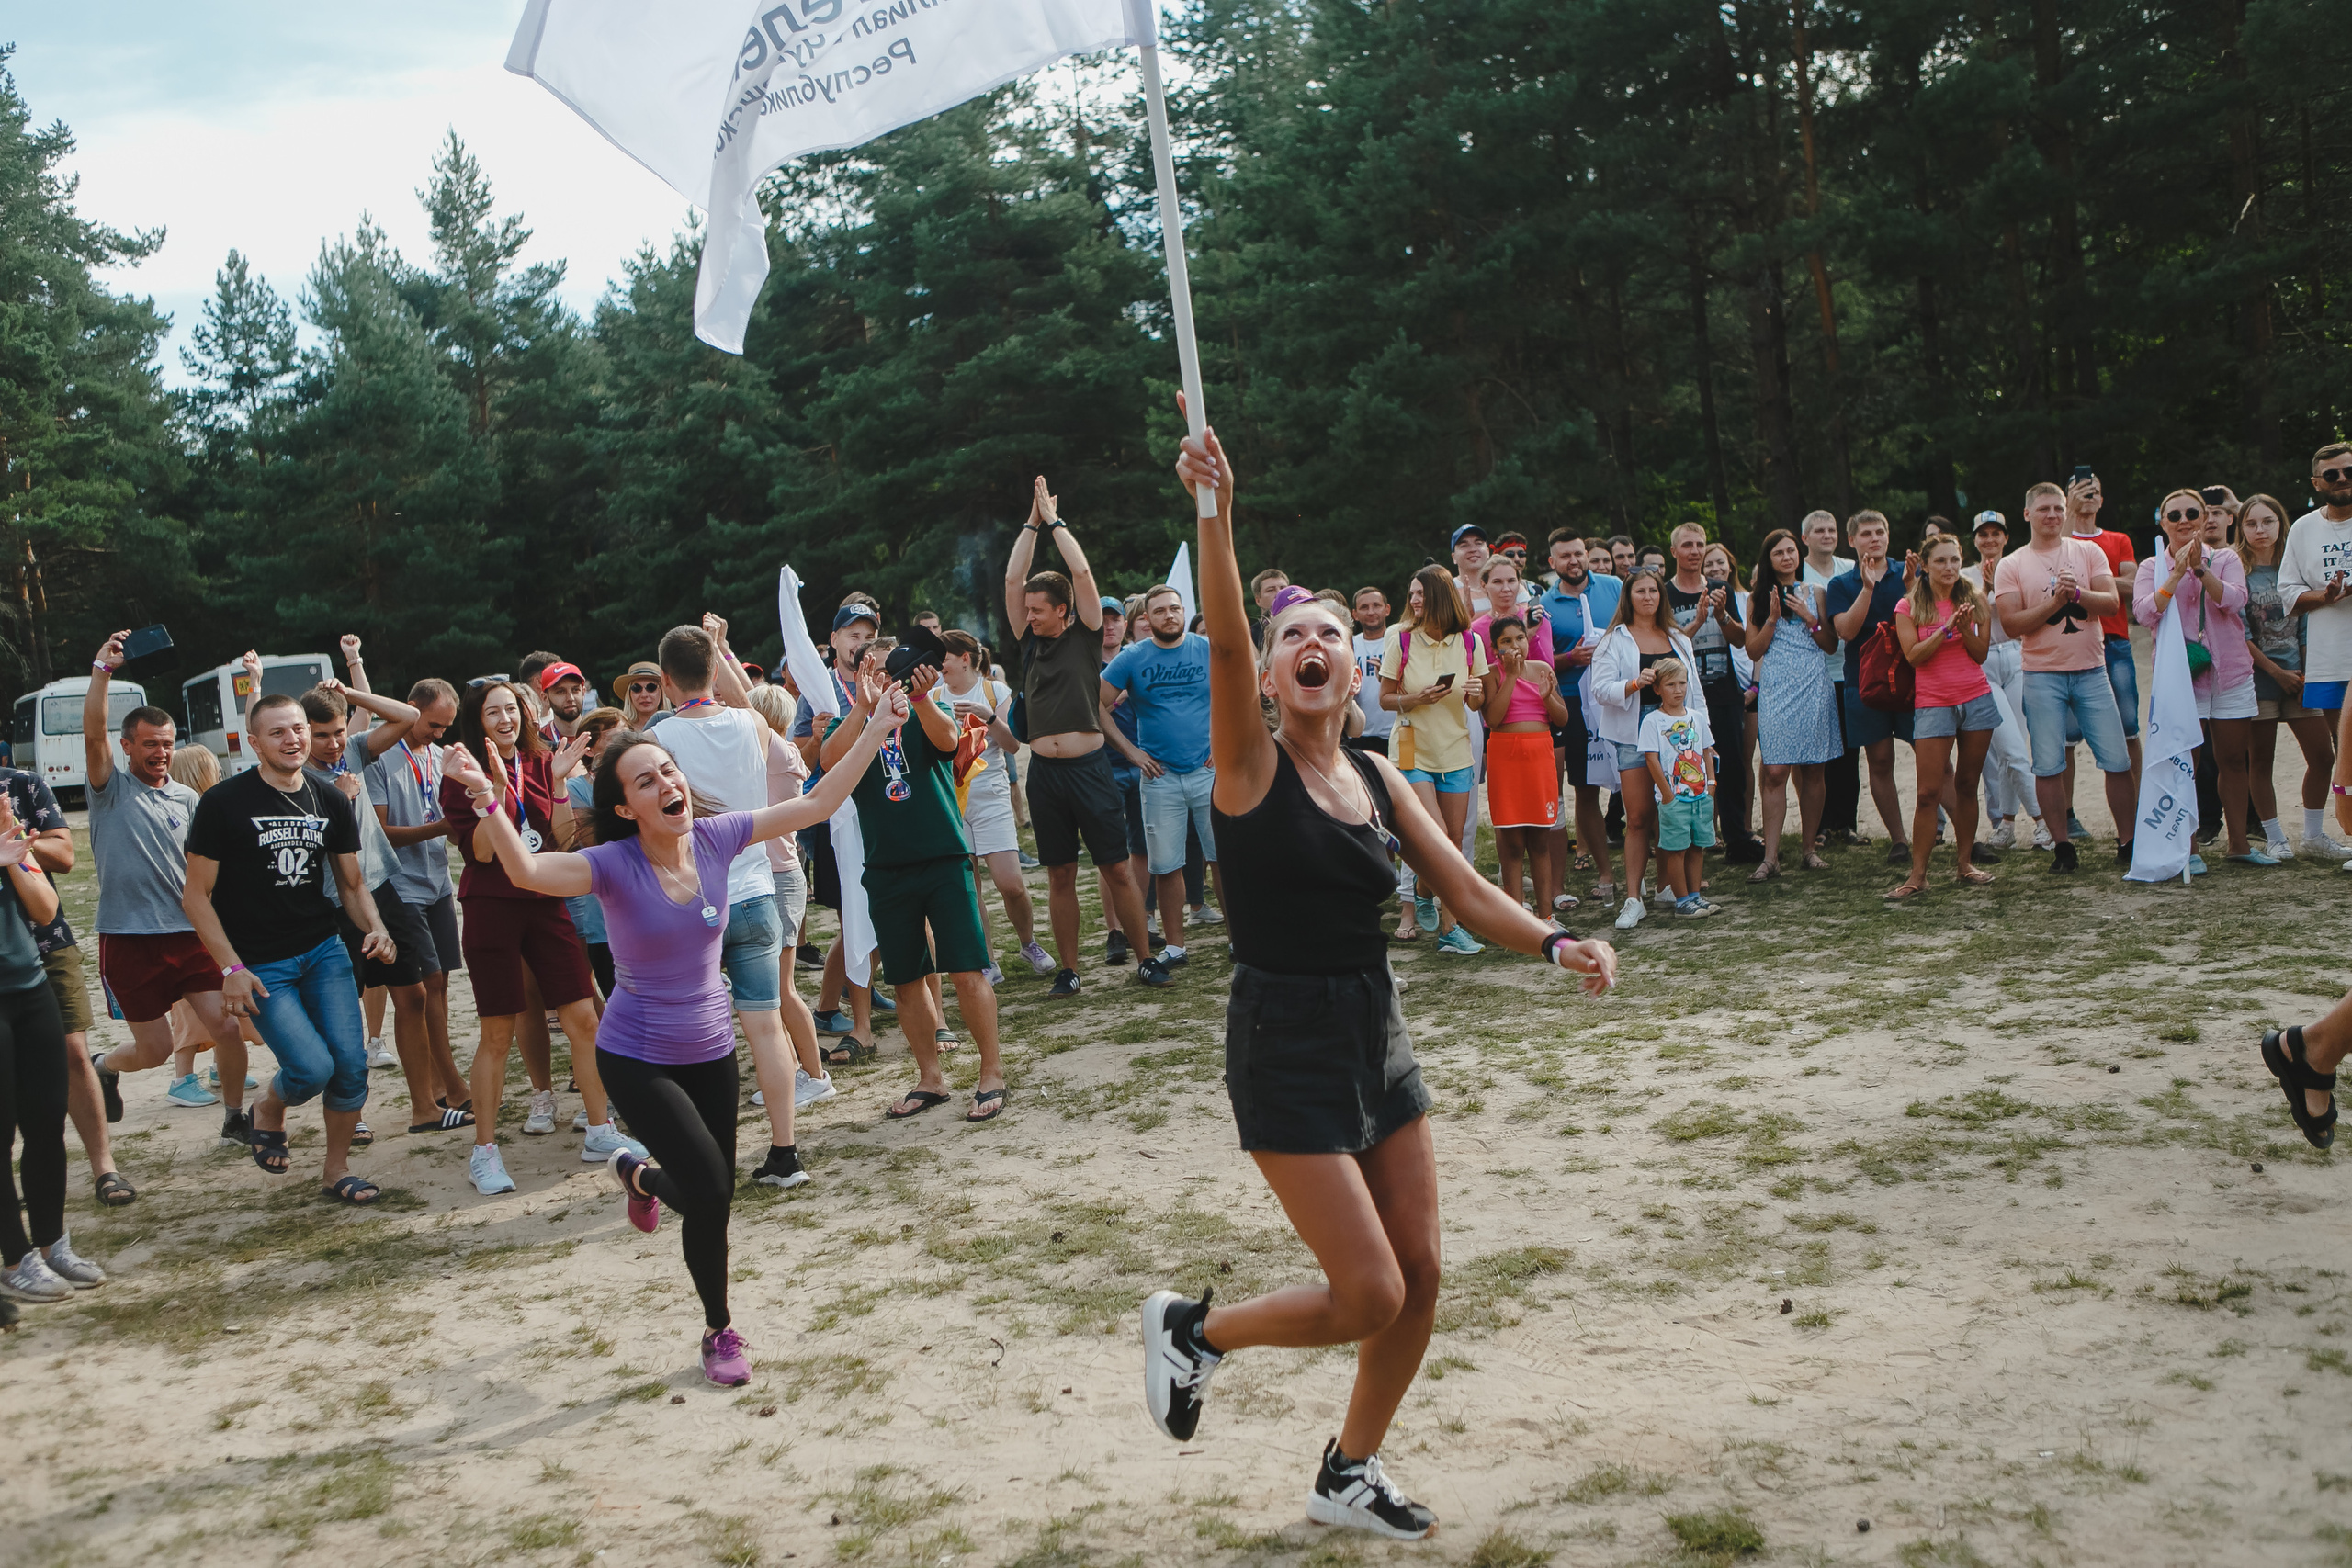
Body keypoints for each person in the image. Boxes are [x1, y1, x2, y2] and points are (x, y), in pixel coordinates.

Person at [1139, 411, 1616, 1540]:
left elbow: (1464, 891)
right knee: (1369, 1293)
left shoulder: (1377, 773)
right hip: (1283, 1037)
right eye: (1290, 634)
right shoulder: (1250, 766)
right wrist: (1216, 509)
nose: (1313, 644)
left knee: (1423, 1273)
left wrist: (1554, 940)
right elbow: (1215, 639)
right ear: (1267, 673)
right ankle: (1194, 1334)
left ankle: (1348, 1471)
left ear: (1355, 665)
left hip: (1373, 1027)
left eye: (1329, 634)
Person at [442, 679, 906, 1386]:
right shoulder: (612, 865)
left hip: (712, 1048)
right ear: (625, 807)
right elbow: (529, 870)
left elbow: (815, 802)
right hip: (635, 1054)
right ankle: (720, 1331)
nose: (665, 782)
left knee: (707, 1190)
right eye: (645, 780)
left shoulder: (718, 837)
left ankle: (640, 1174)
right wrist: (486, 797)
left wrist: (875, 727)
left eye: (668, 770)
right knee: (715, 1192)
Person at [182, 694, 390, 1203]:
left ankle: (335, 1172)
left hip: (323, 950)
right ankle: (268, 1109)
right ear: (253, 742)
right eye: (277, 732)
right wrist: (230, 967)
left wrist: (377, 927)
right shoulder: (223, 804)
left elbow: (352, 883)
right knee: (311, 1068)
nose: (292, 739)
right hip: (261, 965)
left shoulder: (331, 799)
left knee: (350, 1064)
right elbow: (195, 895)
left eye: (297, 728)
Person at [651, 618, 821, 1186]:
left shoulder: (660, 737)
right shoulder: (749, 720)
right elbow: (750, 708)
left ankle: (700, 1157)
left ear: (665, 679)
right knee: (766, 1025)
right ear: (712, 671)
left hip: (690, 900)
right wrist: (721, 645)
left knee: (693, 1032)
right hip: (756, 892)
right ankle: (785, 1152)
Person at [440, 680, 621, 1195]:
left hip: (545, 903)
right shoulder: (462, 773)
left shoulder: (543, 762)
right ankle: (485, 1151)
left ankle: (600, 1130)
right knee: (497, 1032)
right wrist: (490, 790)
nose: (505, 720)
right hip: (492, 906)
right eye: (493, 712)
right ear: (477, 721)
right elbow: (479, 852)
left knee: (584, 1017)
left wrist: (560, 784)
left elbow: (565, 839)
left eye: (513, 710)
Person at [819, 647, 1011, 1122]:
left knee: (967, 970)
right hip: (886, 867)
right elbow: (828, 761)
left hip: (944, 859)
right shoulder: (856, 724)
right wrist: (864, 708)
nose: (893, 676)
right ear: (865, 674)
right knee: (905, 979)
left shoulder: (932, 707)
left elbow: (948, 744)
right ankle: (931, 1079)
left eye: (898, 667)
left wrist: (921, 698)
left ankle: (992, 1073)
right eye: (881, 668)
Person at [82, 632, 252, 1151]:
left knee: (227, 1028)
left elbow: (209, 871)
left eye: (167, 742)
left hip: (189, 935)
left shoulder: (188, 799)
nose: (160, 752)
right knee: (152, 1050)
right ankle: (104, 1067)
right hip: (130, 938)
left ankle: (233, 1117)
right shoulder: (109, 789)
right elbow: (93, 736)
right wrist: (101, 672)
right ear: (128, 745)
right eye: (149, 743)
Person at [1002, 476, 1170, 993]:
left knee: (1117, 870)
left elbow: (1081, 569)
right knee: (1059, 876)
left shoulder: (1087, 634)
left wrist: (1054, 521)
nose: (1028, 616)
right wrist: (1030, 524)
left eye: (1038, 609)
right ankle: (1070, 971)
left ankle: (1146, 958)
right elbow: (1013, 582)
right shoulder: (1029, 642)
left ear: (1062, 610)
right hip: (1046, 776)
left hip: (1090, 769)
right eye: (1027, 610)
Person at [0, 753, 130, 1209]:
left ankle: (104, 1167)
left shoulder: (22, 786)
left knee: (74, 1053)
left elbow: (67, 856)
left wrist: (15, 840)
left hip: (45, 941)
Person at [1995, 481, 2136, 874]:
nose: (2052, 515)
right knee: (2049, 765)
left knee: (2118, 760)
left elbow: (2110, 602)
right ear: (2027, 515)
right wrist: (2055, 602)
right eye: (2044, 509)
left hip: (2092, 670)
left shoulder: (2088, 551)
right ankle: (2062, 847)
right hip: (2042, 676)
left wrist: (2079, 597)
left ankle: (2128, 842)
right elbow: (2010, 624)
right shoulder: (2013, 564)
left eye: (2058, 508)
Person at [364, 678, 474, 1132]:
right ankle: (448, 1082)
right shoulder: (379, 757)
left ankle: (438, 1082)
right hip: (400, 887)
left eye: (446, 726)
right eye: (433, 724)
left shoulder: (434, 755)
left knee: (442, 986)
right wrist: (441, 828)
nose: (439, 734)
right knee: (421, 988)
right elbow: (380, 831)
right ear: (410, 710)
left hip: (436, 884)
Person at [0, 793, 97, 1302]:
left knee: (46, 1120)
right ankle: (16, 1259)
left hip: (29, 985)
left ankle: (52, 1243)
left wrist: (13, 854)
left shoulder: (4, 823)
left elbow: (45, 909)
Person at [1103, 585, 1226, 966]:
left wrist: (1224, 745)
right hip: (1160, 777)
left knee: (1223, 857)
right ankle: (1175, 945)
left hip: (1210, 771)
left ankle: (1241, 939)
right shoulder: (1131, 658)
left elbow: (1241, 694)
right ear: (1147, 618)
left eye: (1175, 608)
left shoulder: (1207, 649)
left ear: (1183, 611)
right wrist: (1131, 751)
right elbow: (1096, 705)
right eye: (1159, 611)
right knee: (1166, 864)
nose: (1169, 615)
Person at [2136, 490, 2261, 865]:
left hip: (2230, 674)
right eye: (2174, 515)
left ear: (2205, 516)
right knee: (2184, 765)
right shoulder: (2150, 567)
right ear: (2163, 522)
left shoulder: (2224, 558)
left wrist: (2200, 570)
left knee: (2234, 761)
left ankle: (2239, 845)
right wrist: (2175, 574)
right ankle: (2186, 849)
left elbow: (2236, 601)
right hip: (2181, 679)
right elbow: (2145, 613)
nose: (2184, 520)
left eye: (2192, 512)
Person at [1378, 565, 1488, 952]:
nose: (1414, 600)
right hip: (1413, 750)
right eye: (1411, 594)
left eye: (1420, 593)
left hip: (1456, 749)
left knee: (1454, 840)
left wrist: (1475, 692)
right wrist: (1415, 698)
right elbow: (1385, 698)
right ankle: (1427, 898)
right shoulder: (1402, 640)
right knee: (1438, 835)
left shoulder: (1471, 642)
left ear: (1440, 595)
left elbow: (1477, 702)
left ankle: (1448, 927)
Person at [1886, 536, 1997, 898]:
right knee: (1928, 792)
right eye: (1940, 562)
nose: (1949, 568)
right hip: (1933, 703)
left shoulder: (1976, 598)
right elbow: (1915, 656)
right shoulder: (1908, 606)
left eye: (1954, 560)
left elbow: (1980, 654)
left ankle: (1964, 864)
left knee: (1967, 785)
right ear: (1925, 565)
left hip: (1976, 699)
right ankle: (1917, 875)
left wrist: (1964, 628)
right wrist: (1947, 629)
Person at [793, 604, 881, 1055]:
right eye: (851, 633)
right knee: (854, 917)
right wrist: (815, 738)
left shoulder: (885, 678)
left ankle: (839, 998)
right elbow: (798, 761)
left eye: (867, 632)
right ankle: (844, 1008)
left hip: (882, 813)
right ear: (832, 641)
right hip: (833, 817)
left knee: (881, 916)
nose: (859, 640)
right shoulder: (819, 688)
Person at [938, 631, 1050, 980]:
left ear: (965, 659)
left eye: (943, 659)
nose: (938, 666)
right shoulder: (933, 696)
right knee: (969, 886)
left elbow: (1014, 745)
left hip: (991, 796)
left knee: (1011, 884)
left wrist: (988, 717)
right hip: (952, 798)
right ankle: (986, 958)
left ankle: (1028, 942)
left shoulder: (994, 691)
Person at [1589, 570, 1696, 930]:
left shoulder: (1679, 638)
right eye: (1641, 590)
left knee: (1672, 813)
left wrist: (1705, 743)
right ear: (1628, 596)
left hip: (1678, 737)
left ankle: (1667, 886)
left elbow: (1695, 693)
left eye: (1654, 590)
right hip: (1634, 734)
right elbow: (1601, 690)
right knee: (1637, 817)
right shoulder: (1613, 640)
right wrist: (1635, 683)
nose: (1648, 596)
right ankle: (1634, 898)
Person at [2239, 492, 2339, 860]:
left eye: (2267, 521)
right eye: (2251, 523)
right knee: (2261, 759)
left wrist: (2306, 674)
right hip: (2259, 678)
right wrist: (2276, 672)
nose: (2260, 530)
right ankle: (2275, 837)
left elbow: (2305, 624)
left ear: (2282, 524)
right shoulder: (2237, 569)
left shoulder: (2292, 566)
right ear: (2242, 529)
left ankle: (2313, 835)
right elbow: (2239, 634)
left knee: (2323, 756)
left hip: (2299, 677)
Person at [1745, 530, 1839, 879]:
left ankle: (1809, 848)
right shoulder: (1757, 598)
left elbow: (1831, 645)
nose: (1786, 558)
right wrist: (1772, 618)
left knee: (1814, 769)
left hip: (1813, 685)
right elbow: (1754, 651)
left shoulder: (1815, 593)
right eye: (1778, 553)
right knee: (1774, 770)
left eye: (1791, 551)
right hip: (1777, 689)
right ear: (1768, 560)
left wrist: (1811, 620)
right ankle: (1770, 857)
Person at [1826, 510, 1917, 863]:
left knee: (1933, 757)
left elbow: (1927, 619)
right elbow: (1845, 631)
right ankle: (1899, 840)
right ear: (1851, 541)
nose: (1874, 538)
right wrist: (1867, 588)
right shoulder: (1841, 584)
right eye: (1866, 533)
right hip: (1865, 682)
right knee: (1879, 761)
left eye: (1880, 531)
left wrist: (1912, 587)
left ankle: (1965, 837)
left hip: (1911, 678)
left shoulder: (1907, 573)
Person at [1666, 525, 1760, 863]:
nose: (1694, 551)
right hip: (1683, 694)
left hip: (1724, 691)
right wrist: (1696, 622)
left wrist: (1720, 616)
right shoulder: (1665, 595)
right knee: (1687, 768)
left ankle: (1737, 837)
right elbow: (1666, 648)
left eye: (1699, 545)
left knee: (1732, 768)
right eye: (1687, 545)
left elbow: (1739, 641)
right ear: (1674, 551)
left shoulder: (1721, 589)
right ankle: (1692, 841)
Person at [1539, 533, 1623, 900]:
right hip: (1572, 703)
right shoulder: (1543, 605)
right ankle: (1605, 874)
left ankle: (1656, 874)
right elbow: (1539, 662)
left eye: (1578, 553)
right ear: (1552, 562)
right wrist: (1569, 660)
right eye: (1564, 556)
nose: (1573, 561)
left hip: (1618, 697)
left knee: (1636, 787)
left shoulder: (1615, 587)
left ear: (1587, 554)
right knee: (1585, 789)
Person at [2278, 444, 2352, 850]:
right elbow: (2287, 593)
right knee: (2347, 752)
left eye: (2348, 471)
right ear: (2316, 483)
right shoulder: (2304, 529)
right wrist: (2325, 596)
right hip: (2330, 658)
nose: (2342, 480)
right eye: (2332, 475)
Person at [1962, 512, 2049, 853]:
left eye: (1995, 533)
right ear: (1975, 540)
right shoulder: (1966, 575)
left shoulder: (2018, 567)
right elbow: (1969, 617)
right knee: (2006, 748)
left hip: (2017, 656)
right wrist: (1985, 588)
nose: (1989, 540)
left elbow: (2027, 612)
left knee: (2016, 745)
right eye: (1983, 534)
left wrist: (1999, 585)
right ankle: (2043, 822)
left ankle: (2009, 823)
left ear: (2006, 537)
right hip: (1983, 660)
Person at [1477, 615, 1570, 914]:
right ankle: (1517, 916)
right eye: (1506, 641)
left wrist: (1547, 697)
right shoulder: (1492, 674)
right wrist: (1513, 677)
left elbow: (1562, 718)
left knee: (1540, 841)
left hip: (1539, 758)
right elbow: (1493, 719)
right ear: (1495, 649)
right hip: (1506, 759)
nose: (1515, 646)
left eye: (1519, 638)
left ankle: (1546, 916)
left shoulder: (1543, 669)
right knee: (1513, 842)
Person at [2067, 471, 2143, 790]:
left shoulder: (2118, 540)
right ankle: (2067, 815)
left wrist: (2088, 583)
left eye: (2094, 490)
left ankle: (2141, 806)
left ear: (2103, 500)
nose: (2089, 494)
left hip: (2115, 642)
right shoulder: (2059, 541)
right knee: (2066, 737)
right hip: (2071, 643)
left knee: (2129, 728)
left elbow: (2135, 584)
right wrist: (2107, 583)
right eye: (2081, 489)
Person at [1798, 511, 1860, 842]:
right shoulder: (1798, 572)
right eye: (1818, 530)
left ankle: (1846, 823)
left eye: (1831, 529)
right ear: (1805, 538)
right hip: (1812, 672)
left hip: (1847, 669)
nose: (1827, 535)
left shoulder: (1850, 569)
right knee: (1817, 753)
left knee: (1850, 751)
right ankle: (1819, 825)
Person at [1638, 660, 1718, 918]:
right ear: (1658, 689)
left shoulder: (1696, 718)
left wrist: (1711, 784)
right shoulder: (1653, 721)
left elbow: (1706, 752)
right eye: (1671, 684)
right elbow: (1652, 759)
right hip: (1674, 798)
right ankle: (1681, 901)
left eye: (1682, 683)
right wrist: (1668, 795)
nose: (1678, 689)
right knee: (1676, 849)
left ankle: (1695, 896)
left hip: (1700, 795)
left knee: (1698, 846)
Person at [560, 707, 630, 996]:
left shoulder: (645, 778)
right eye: (616, 739)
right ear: (590, 750)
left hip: (651, 913)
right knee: (622, 1010)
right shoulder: (577, 787)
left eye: (630, 736)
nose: (628, 745)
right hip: (605, 919)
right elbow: (593, 843)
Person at [1348, 588, 1396, 759]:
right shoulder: (1349, 645)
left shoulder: (1399, 642)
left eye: (1376, 605)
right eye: (1364, 607)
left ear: (1387, 609)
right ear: (1354, 614)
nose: (1371, 612)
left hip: (1396, 734)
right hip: (1359, 736)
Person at [537, 660, 592, 740]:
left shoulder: (600, 736)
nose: (570, 698)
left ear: (583, 693)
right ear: (545, 698)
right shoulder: (538, 742)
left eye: (575, 690)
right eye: (560, 692)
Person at [614, 661, 666, 728]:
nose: (644, 695)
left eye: (651, 687)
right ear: (629, 695)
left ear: (662, 692)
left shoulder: (674, 725)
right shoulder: (620, 730)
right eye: (636, 688)